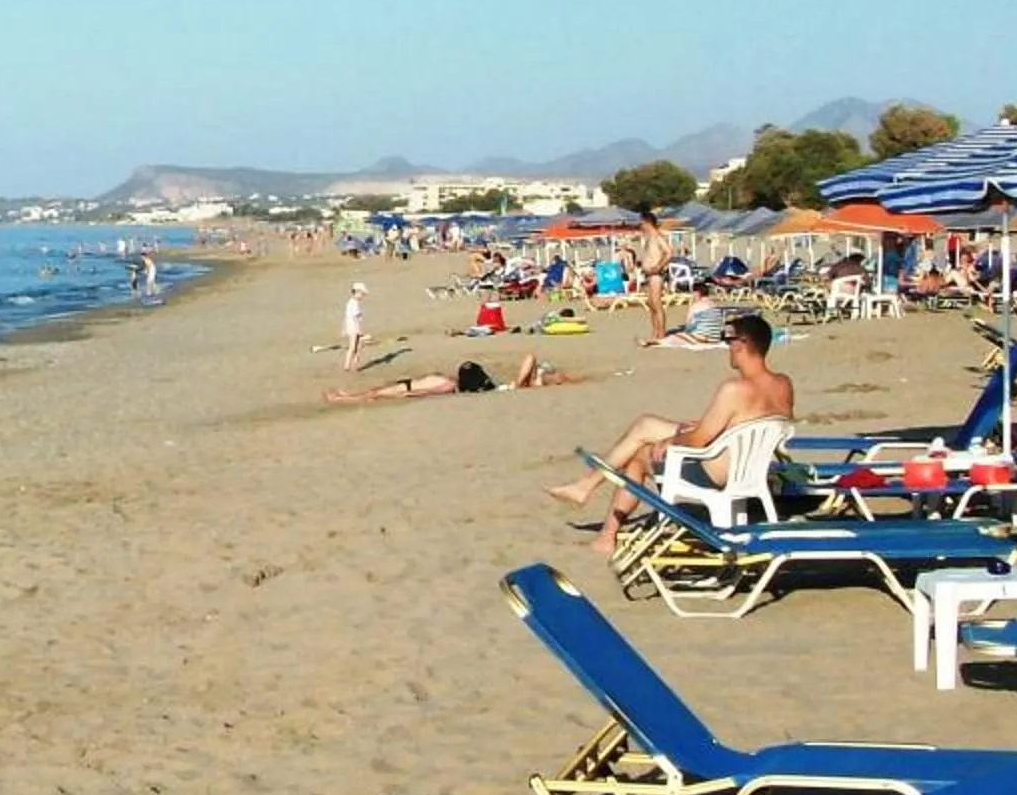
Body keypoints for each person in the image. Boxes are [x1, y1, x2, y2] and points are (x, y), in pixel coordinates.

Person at [544, 312, 792, 553]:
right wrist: (695, 427)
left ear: (743, 344)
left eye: (729, 340)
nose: (727, 346)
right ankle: (585, 486)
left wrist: (671, 441)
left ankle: (607, 536)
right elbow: (751, 422)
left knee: (639, 459)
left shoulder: (734, 389)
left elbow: (698, 441)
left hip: (719, 471)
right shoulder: (783, 384)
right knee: (645, 425)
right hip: (750, 466)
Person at [327, 350, 580, 403]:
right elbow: (530, 359)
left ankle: (347, 398)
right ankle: (348, 397)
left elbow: (530, 358)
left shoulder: (521, 387)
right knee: (382, 391)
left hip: (420, 386)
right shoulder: (522, 385)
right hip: (425, 385)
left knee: (381, 392)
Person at [635, 212, 673, 345]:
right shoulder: (649, 238)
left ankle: (661, 334)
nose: (640, 225)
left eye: (641, 222)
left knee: (656, 304)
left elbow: (668, 252)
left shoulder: (657, 236)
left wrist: (658, 266)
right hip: (649, 274)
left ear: (647, 222)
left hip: (656, 275)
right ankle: (655, 332)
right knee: (651, 304)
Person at [339, 282, 371, 369]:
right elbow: (356, 318)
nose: (362, 297)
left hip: (350, 327)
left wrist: (344, 328)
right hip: (354, 327)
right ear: (356, 292)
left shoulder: (350, 302)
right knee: (354, 347)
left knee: (357, 347)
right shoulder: (354, 303)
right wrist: (360, 332)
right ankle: (349, 366)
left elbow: (346, 317)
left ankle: (351, 365)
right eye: (362, 294)